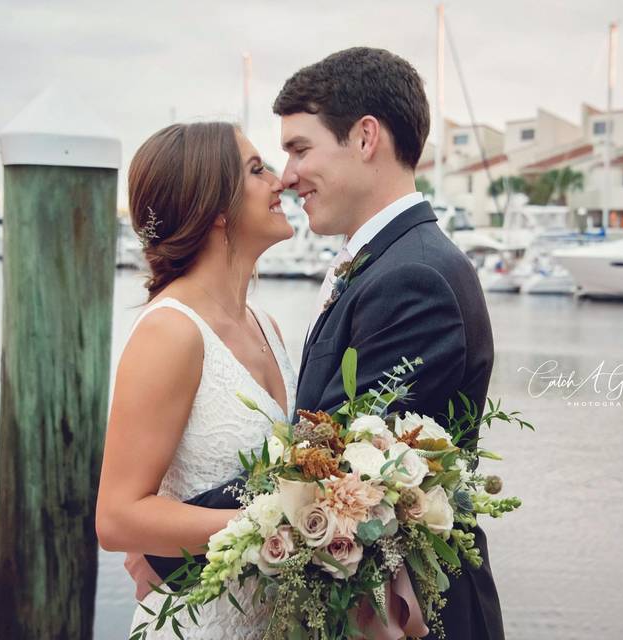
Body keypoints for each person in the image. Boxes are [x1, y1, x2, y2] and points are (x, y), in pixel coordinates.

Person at [274, 47, 504, 640]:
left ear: (365, 137)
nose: (286, 176)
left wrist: (170, 542)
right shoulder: (386, 262)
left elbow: (348, 473)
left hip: (412, 617)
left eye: (300, 149)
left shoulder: (413, 278)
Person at [95, 122, 297, 639]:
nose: (281, 181)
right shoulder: (171, 332)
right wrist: (282, 523)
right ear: (216, 209)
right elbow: (117, 518)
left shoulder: (265, 326)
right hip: (198, 624)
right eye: (257, 170)